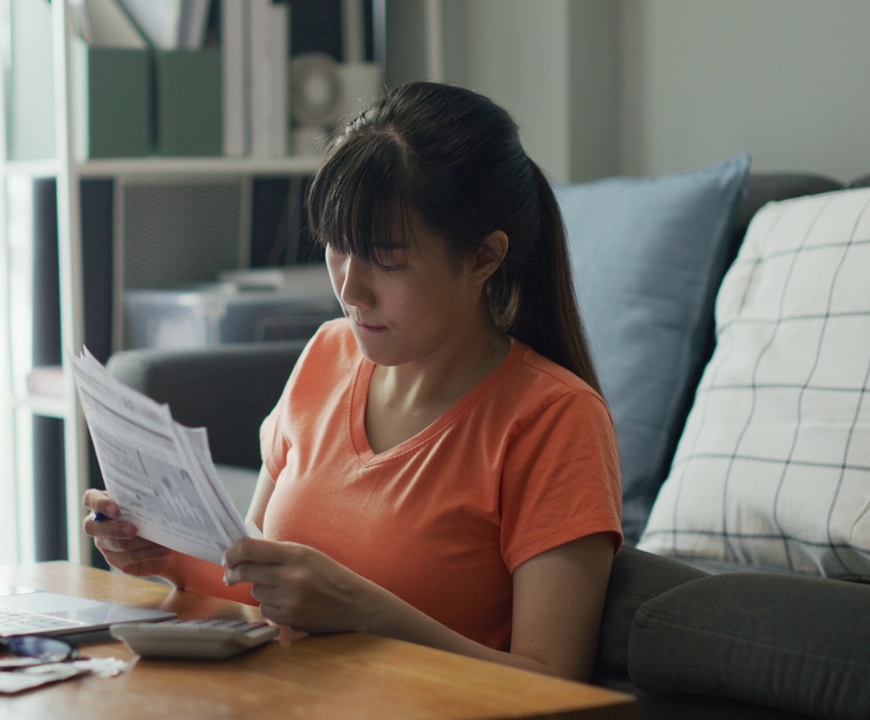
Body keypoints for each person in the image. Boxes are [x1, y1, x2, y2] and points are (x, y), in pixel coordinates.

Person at [83, 81, 622, 682]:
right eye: (337, 248)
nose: (349, 288)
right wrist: (167, 557)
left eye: (387, 260)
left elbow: (555, 685)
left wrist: (369, 612)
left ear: (483, 258)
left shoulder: (553, 418)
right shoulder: (327, 355)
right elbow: (256, 579)